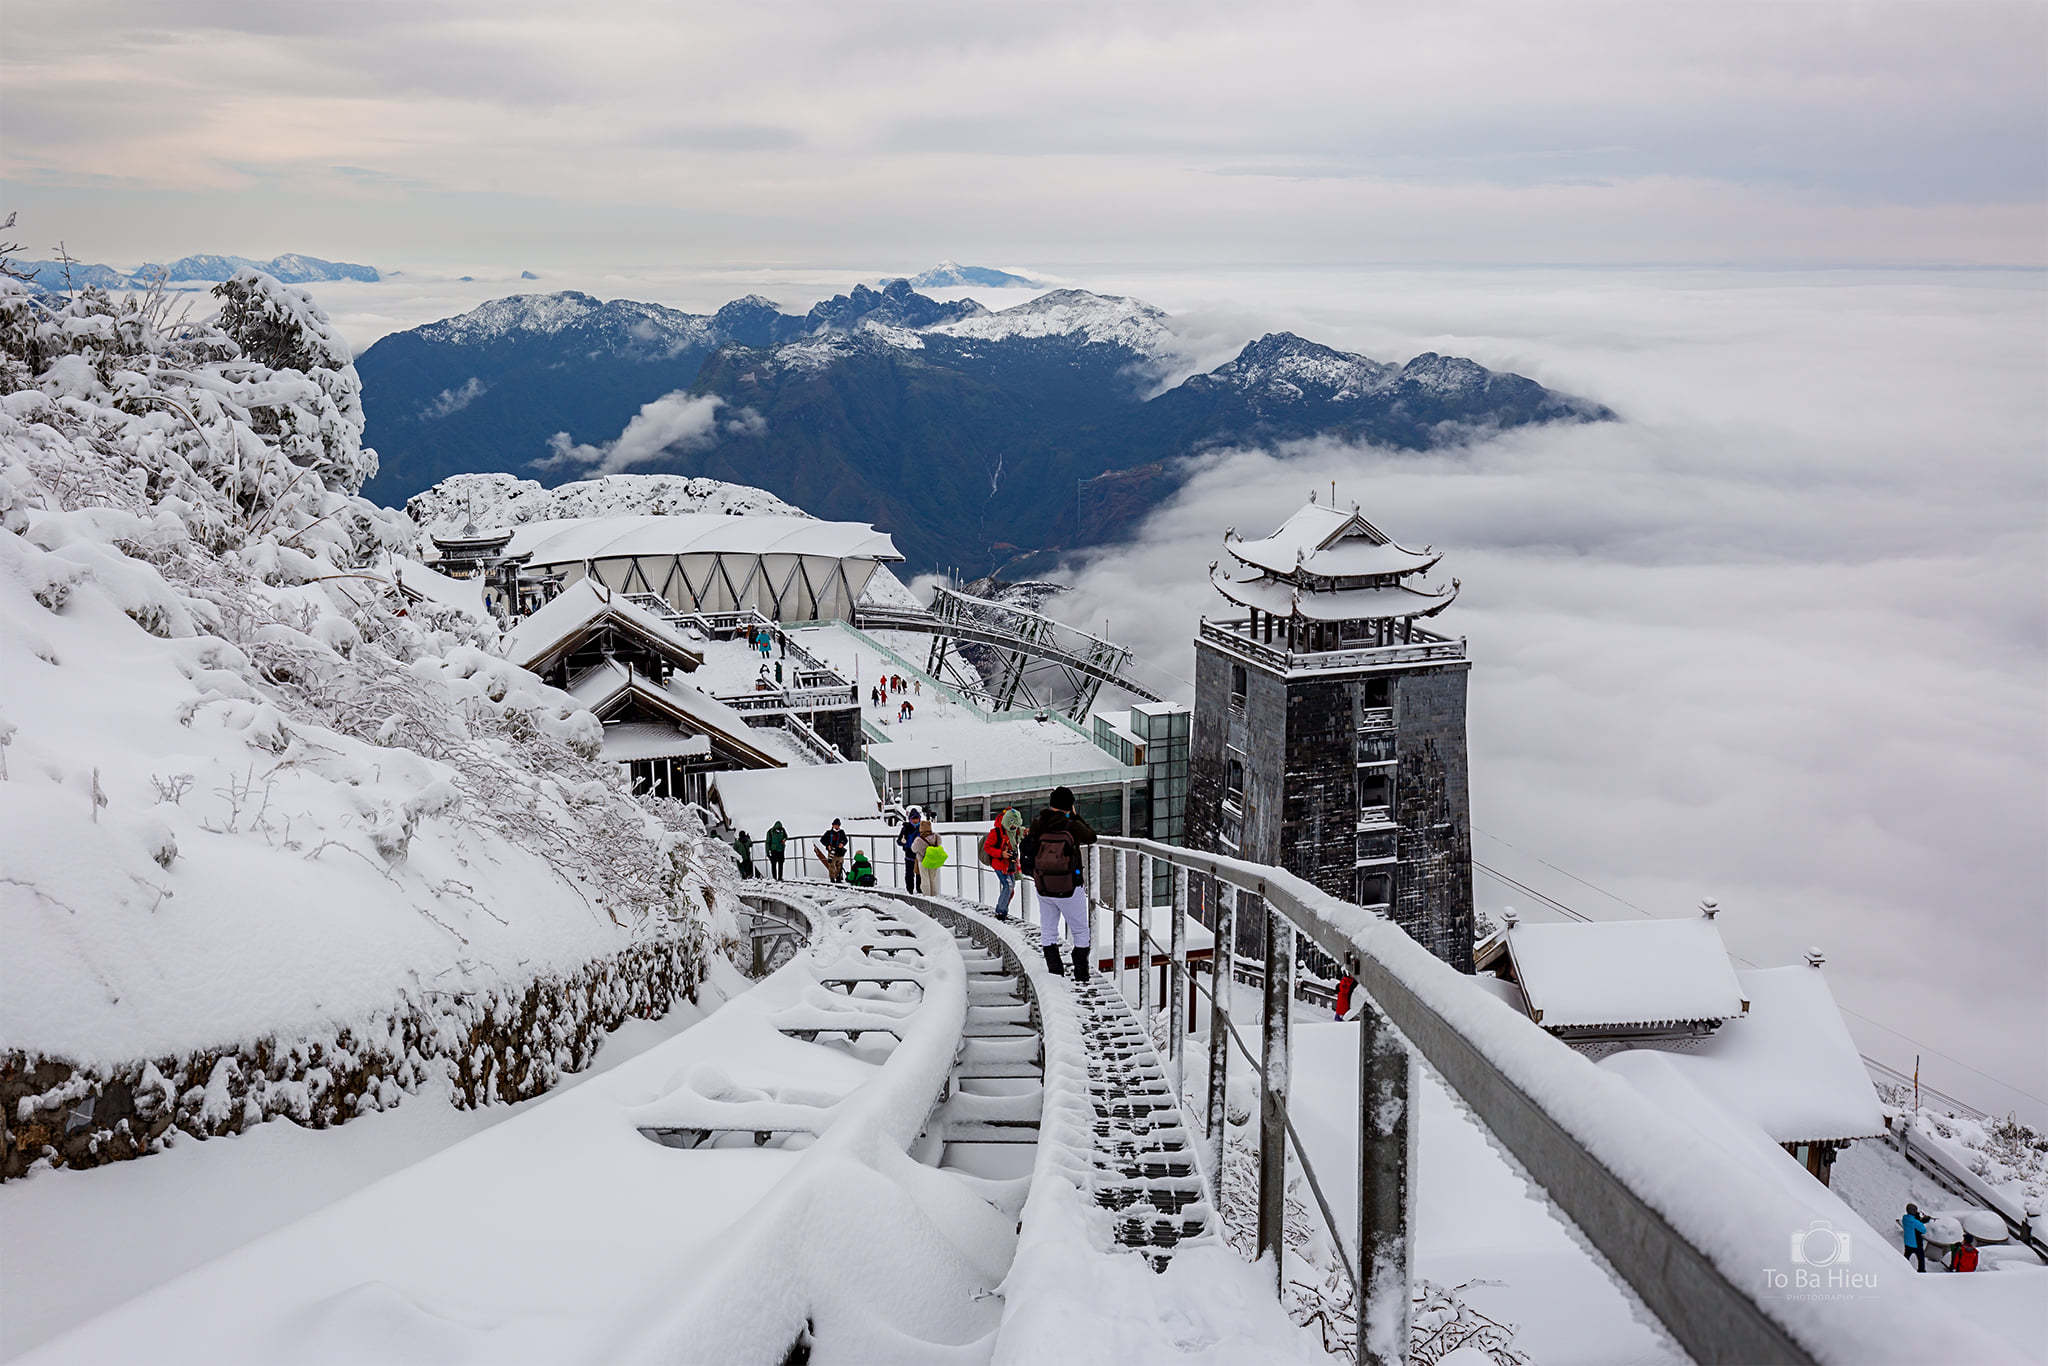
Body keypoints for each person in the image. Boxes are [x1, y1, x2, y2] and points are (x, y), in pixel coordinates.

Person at [1021, 786, 1097, 981]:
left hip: (1044, 886)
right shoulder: (1071, 824)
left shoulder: (1039, 822)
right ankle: (1081, 974)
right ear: (1070, 805)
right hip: (1070, 886)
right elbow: (1091, 837)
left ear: (1051, 804)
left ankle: (1055, 972)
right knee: (1080, 931)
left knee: (1048, 930)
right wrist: (1075, 817)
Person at [980, 807, 1022, 920]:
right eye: (1012, 824)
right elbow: (987, 847)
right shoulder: (996, 832)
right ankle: (1000, 912)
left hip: (1010, 864)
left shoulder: (1014, 832)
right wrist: (1001, 853)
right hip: (999, 864)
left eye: (1016, 825)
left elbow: (1020, 835)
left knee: (1011, 887)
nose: (1014, 827)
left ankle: (1003, 910)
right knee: (1008, 886)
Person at [917, 820, 948, 894]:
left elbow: (914, 848)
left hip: (923, 861)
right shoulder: (936, 837)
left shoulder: (919, 840)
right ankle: (934, 894)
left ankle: (927, 895)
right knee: (933, 879)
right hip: (934, 860)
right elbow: (939, 843)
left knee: (925, 879)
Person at [898, 808, 923, 889]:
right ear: (910, 819)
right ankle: (910, 891)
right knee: (909, 874)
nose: (915, 821)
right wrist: (902, 842)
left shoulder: (923, 828)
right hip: (909, 855)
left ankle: (919, 891)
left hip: (920, 855)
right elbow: (898, 841)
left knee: (920, 874)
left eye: (917, 819)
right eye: (913, 819)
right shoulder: (905, 828)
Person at [1900, 1204, 1929, 1272]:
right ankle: (1921, 1271)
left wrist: (1919, 1220)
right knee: (1921, 1259)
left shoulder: (1905, 1218)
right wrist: (1921, 1220)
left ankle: (1901, 1267)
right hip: (1916, 1244)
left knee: (1906, 1257)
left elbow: (1913, 1225)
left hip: (1907, 1242)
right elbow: (1923, 1230)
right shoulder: (1914, 1221)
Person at [820, 819, 849, 883]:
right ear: (832, 825)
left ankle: (838, 878)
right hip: (832, 852)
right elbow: (822, 840)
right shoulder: (828, 832)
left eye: (838, 825)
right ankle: (832, 878)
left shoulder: (842, 832)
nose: (837, 826)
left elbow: (846, 840)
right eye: (836, 825)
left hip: (840, 851)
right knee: (831, 865)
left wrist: (842, 843)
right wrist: (827, 845)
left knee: (839, 865)